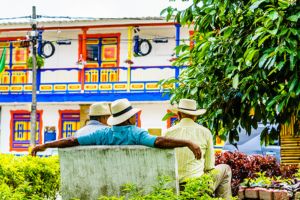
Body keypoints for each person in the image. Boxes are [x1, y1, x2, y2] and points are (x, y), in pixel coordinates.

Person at [31, 99, 202, 160]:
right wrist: (187, 142)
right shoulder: (135, 134)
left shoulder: (102, 134)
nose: (135, 118)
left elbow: (71, 141)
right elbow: (158, 141)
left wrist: (45, 145)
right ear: (129, 118)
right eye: (133, 115)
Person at [164, 99, 232, 199]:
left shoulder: (168, 133)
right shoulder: (205, 132)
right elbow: (209, 167)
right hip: (197, 185)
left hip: (174, 185)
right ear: (195, 116)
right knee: (226, 169)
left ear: (178, 114)